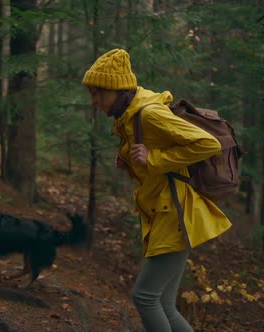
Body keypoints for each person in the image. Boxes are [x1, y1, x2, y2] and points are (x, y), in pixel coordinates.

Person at [82, 48, 231, 332]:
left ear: (114, 89)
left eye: (97, 94)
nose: (94, 101)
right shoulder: (129, 117)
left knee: (145, 297)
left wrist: (155, 159)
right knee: (163, 303)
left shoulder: (149, 114)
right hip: (163, 213)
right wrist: (131, 161)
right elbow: (150, 158)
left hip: (175, 214)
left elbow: (208, 143)